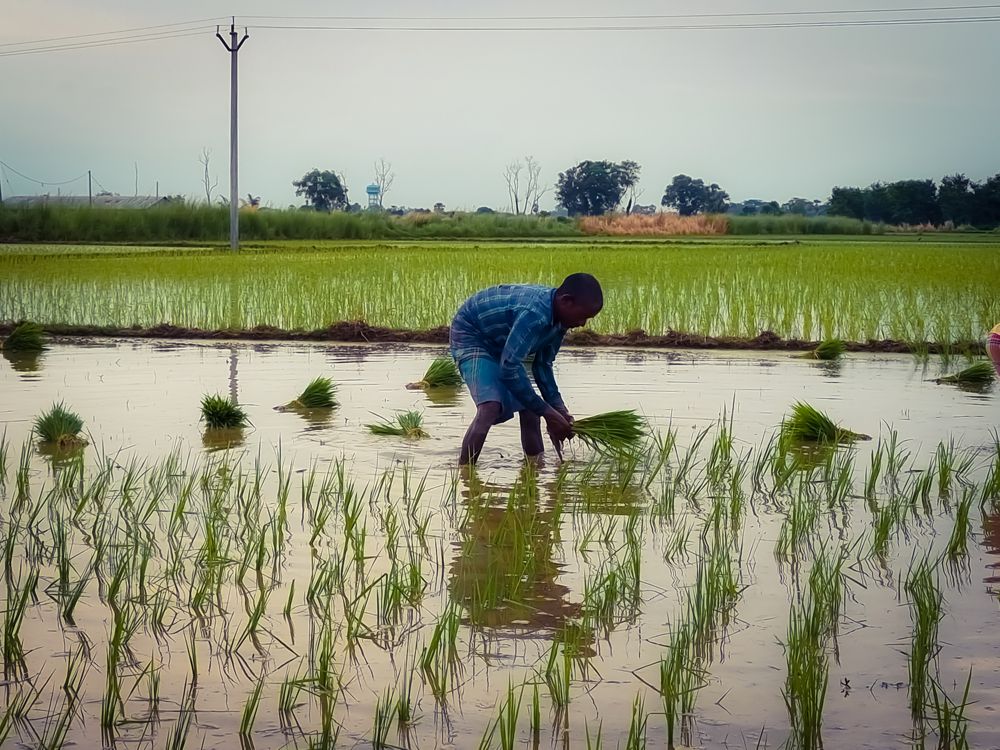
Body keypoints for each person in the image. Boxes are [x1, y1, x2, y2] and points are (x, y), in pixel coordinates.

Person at [450, 273, 604, 465]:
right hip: (473, 336)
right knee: (490, 407)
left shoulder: (560, 321)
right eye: (583, 317)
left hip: (504, 342)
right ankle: (465, 474)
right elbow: (509, 369)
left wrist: (558, 409)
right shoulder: (534, 315)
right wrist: (548, 413)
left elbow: (542, 364)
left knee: (530, 409)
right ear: (566, 301)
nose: (582, 324)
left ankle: (535, 468)